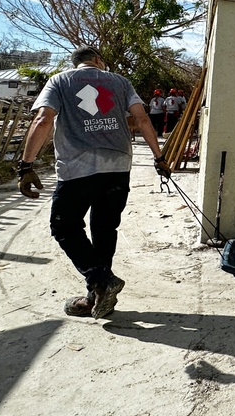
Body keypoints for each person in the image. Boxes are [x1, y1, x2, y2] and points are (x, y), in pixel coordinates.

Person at [16, 46, 171, 319]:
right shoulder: (119, 81)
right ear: (98, 61)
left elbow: (43, 119)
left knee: (64, 227)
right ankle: (98, 293)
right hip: (118, 167)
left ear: (74, 63)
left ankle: (101, 281)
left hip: (78, 168)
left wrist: (26, 165)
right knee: (104, 228)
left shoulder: (60, 81)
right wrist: (159, 157)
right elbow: (142, 118)